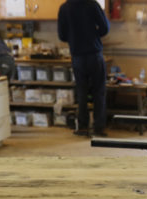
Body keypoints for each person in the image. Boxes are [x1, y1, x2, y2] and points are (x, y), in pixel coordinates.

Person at [57, 0, 110, 136]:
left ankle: (82, 127)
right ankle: (98, 127)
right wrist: (92, 35)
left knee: (81, 93)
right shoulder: (92, 5)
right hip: (94, 54)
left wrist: (75, 38)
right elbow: (105, 28)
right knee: (98, 92)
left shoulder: (64, 8)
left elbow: (62, 35)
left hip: (77, 56)